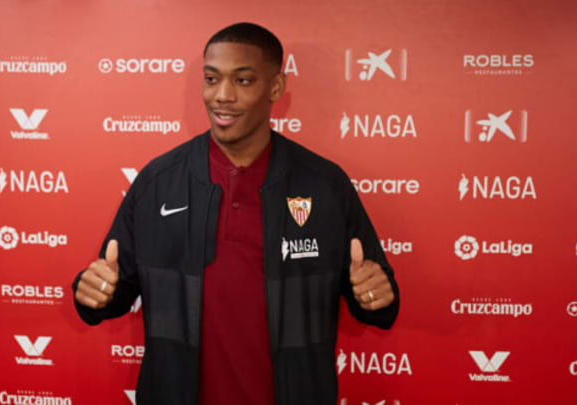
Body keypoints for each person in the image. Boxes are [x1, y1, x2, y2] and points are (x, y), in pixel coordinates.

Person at [72, 22, 399, 405]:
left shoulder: (325, 185)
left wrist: (375, 297)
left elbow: (380, 303)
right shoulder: (157, 182)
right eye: (211, 79)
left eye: (243, 81)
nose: (222, 96)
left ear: (276, 88)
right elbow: (112, 289)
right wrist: (93, 293)